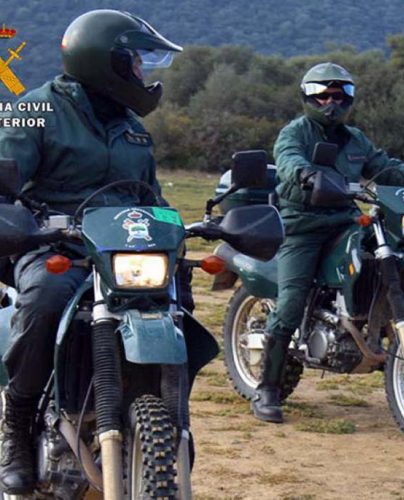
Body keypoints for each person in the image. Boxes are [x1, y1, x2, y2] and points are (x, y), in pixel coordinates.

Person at [0, 10, 182, 494]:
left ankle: (162, 419)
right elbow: (3, 182)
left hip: (123, 253)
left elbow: (151, 198)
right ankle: (17, 427)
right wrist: (17, 219)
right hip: (55, 246)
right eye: (137, 64)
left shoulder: (133, 128)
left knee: (177, 308)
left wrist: (182, 229)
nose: (144, 75)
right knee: (44, 302)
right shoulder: (31, 110)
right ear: (108, 64)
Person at [252, 62, 404, 423]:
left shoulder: (355, 138)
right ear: (308, 97)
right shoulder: (295, 133)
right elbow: (287, 160)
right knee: (291, 301)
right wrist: (304, 173)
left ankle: (377, 327)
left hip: (345, 219)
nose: (331, 101)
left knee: (388, 256)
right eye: (323, 94)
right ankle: (267, 388)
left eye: (340, 94)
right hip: (303, 225)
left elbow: (382, 165)